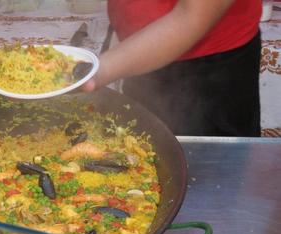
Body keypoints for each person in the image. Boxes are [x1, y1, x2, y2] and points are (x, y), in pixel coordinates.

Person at [81, 0, 262, 137]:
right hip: (137, 55)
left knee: (215, 174)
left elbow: (192, 17)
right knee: (145, 147)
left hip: (211, 71)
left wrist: (96, 72)